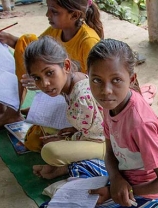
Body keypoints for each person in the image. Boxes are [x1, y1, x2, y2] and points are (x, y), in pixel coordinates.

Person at [36, 39, 158, 208]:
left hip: (142, 196)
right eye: (97, 81)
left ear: (132, 79)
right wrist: (117, 178)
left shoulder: (139, 124)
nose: (106, 90)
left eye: (116, 80)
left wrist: (116, 191)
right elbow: (109, 150)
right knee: (80, 166)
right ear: (87, 78)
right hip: (121, 179)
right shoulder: (109, 105)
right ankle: (84, 188)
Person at [0, 0, 103, 106]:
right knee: (25, 40)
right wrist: (10, 39)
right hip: (60, 90)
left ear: (74, 15)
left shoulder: (89, 41)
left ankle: (13, 112)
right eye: (48, 9)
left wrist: (45, 79)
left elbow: (94, 83)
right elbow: (36, 50)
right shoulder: (57, 30)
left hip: (83, 99)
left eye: (54, 11)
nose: (47, 14)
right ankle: (13, 109)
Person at [23, 36, 106, 179]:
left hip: (107, 144)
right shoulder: (72, 81)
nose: (45, 83)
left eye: (49, 73)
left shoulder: (81, 97)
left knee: (49, 151)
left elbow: (97, 135)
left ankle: (66, 167)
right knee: (40, 135)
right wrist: (73, 130)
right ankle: (65, 165)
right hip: (90, 131)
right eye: (37, 78)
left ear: (66, 66)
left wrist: (67, 140)